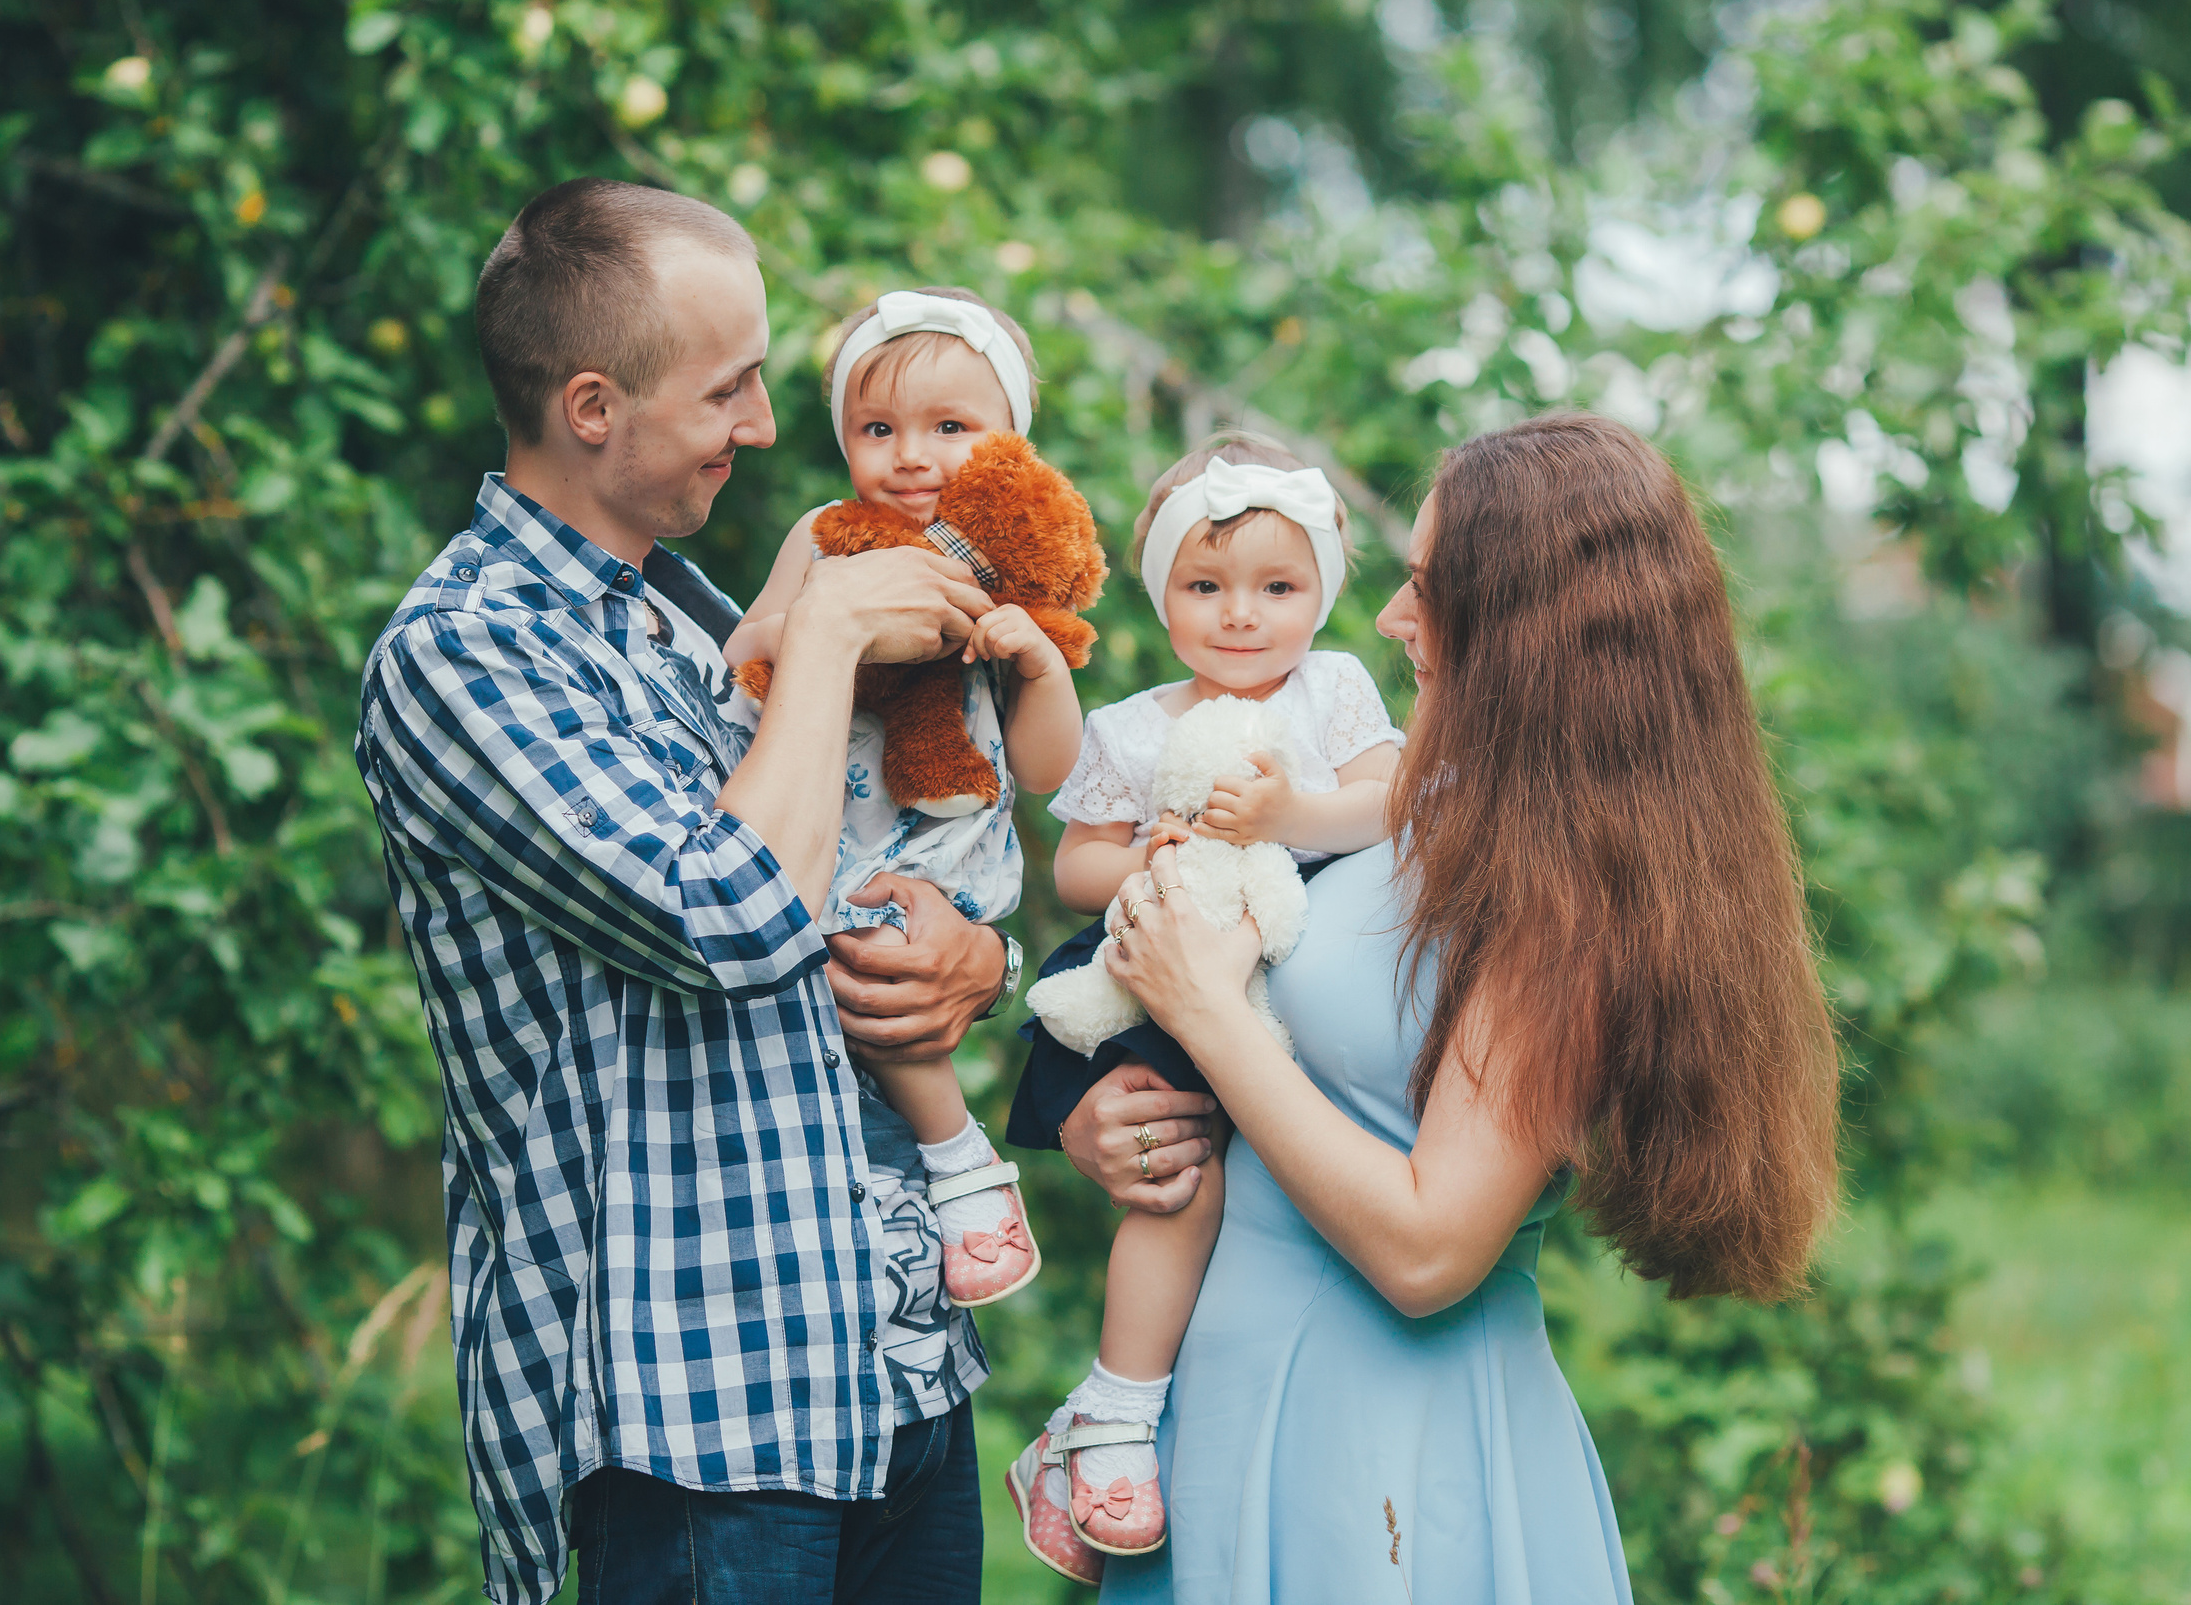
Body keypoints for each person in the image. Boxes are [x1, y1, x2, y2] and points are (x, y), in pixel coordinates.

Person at [355, 178, 1023, 1605]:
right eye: (729, 388)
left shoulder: (694, 612)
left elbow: (881, 856)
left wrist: (982, 954)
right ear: (592, 407)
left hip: (893, 1360)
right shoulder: (465, 651)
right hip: (698, 1421)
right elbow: (726, 916)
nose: (767, 427)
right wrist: (829, 635)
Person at [1063, 412, 1843, 1601]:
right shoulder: (1426, 803)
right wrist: (1120, 1120)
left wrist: (1208, 1015)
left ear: (1526, 624)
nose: (1386, 616)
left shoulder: (1568, 891)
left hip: (1386, 1454)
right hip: (1229, 1401)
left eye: (1425, 587)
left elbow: (1430, 1249)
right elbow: (1290, 1063)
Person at [999, 434, 1403, 1576]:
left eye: (1277, 588)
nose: (1241, 616)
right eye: (1206, 585)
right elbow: (1076, 864)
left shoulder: (1334, 689)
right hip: (1170, 969)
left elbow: (1390, 801)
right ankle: (1115, 1409)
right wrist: (1150, 853)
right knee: (1181, 1178)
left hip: (1291, 972)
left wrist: (1289, 817)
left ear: (1323, 591)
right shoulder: (1132, 724)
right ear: (1160, 590)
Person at [725, 286, 1084, 1312]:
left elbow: (1048, 769)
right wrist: (826, 622)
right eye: (877, 429)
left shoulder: (1006, 566)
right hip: (827, 818)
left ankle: (960, 1167)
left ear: (1011, 443)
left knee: (886, 964)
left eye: (950, 428)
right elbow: (741, 651)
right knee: (847, 968)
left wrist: (1036, 664)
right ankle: (951, 1162)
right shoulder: (825, 536)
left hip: (936, 843)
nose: (911, 456)